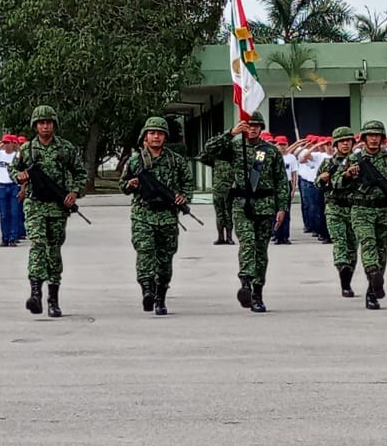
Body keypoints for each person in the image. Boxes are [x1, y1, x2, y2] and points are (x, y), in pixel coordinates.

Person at [199, 111, 288, 313]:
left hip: (265, 205)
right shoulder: (234, 148)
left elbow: (281, 180)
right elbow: (208, 149)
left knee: (260, 251)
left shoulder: (270, 151)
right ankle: (246, 281)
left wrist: (282, 207)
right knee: (247, 242)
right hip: (241, 204)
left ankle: (257, 292)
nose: (253, 128)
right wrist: (231, 133)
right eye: (249, 125)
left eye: (257, 125)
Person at [10, 104, 87, 318]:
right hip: (35, 205)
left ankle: (53, 299)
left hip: (57, 207)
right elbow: (12, 169)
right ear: (35, 126)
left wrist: (74, 192)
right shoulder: (27, 149)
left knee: (53, 251)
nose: (45, 126)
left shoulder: (66, 148)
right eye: (41, 123)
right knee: (38, 244)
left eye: (49, 122)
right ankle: (35, 293)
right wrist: (20, 176)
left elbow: (81, 173)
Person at [119, 116, 194, 315]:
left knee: (164, 260)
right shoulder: (135, 161)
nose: (155, 137)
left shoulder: (176, 161)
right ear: (146, 136)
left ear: (165, 137)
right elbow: (123, 185)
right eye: (152, 133)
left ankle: (161, 296)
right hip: (143, 214)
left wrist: (183, 197)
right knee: (145, 253)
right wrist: (130, 185)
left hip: (167, 216)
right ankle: (147, 291)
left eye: (159, 133)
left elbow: (187, 184)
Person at [338, 120, 387, 309]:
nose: (374, 139)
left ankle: (372, 291)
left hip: (385, 210)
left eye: (377, 135)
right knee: (368, 243)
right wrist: (347, 175)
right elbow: (337, 182)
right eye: (370, 135)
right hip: (361, 210)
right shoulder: (354, 159)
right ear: (363, 138)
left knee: (381, 252)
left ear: (382, 138)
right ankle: (372, 273)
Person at [314, 126, 358, 297]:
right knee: (340, 244)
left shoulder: (359, 161)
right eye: (342, 142)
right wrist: (322, 178)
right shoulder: (327, 163)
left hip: (354, 209)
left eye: (348, 141)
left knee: (353, 248)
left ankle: (348, 279)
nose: (345, 144)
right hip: (334, 209)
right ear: (335, 144)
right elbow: (317, 184)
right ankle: (345, 285)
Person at [198, 143, 235, 246]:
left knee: (228, 215)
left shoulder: (233, 161)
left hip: (229, 190)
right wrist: (212, 149)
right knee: (219, 215)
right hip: (217, 191)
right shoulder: (215, 159)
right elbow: (202, 158)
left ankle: (229, 237)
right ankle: (220, 237)